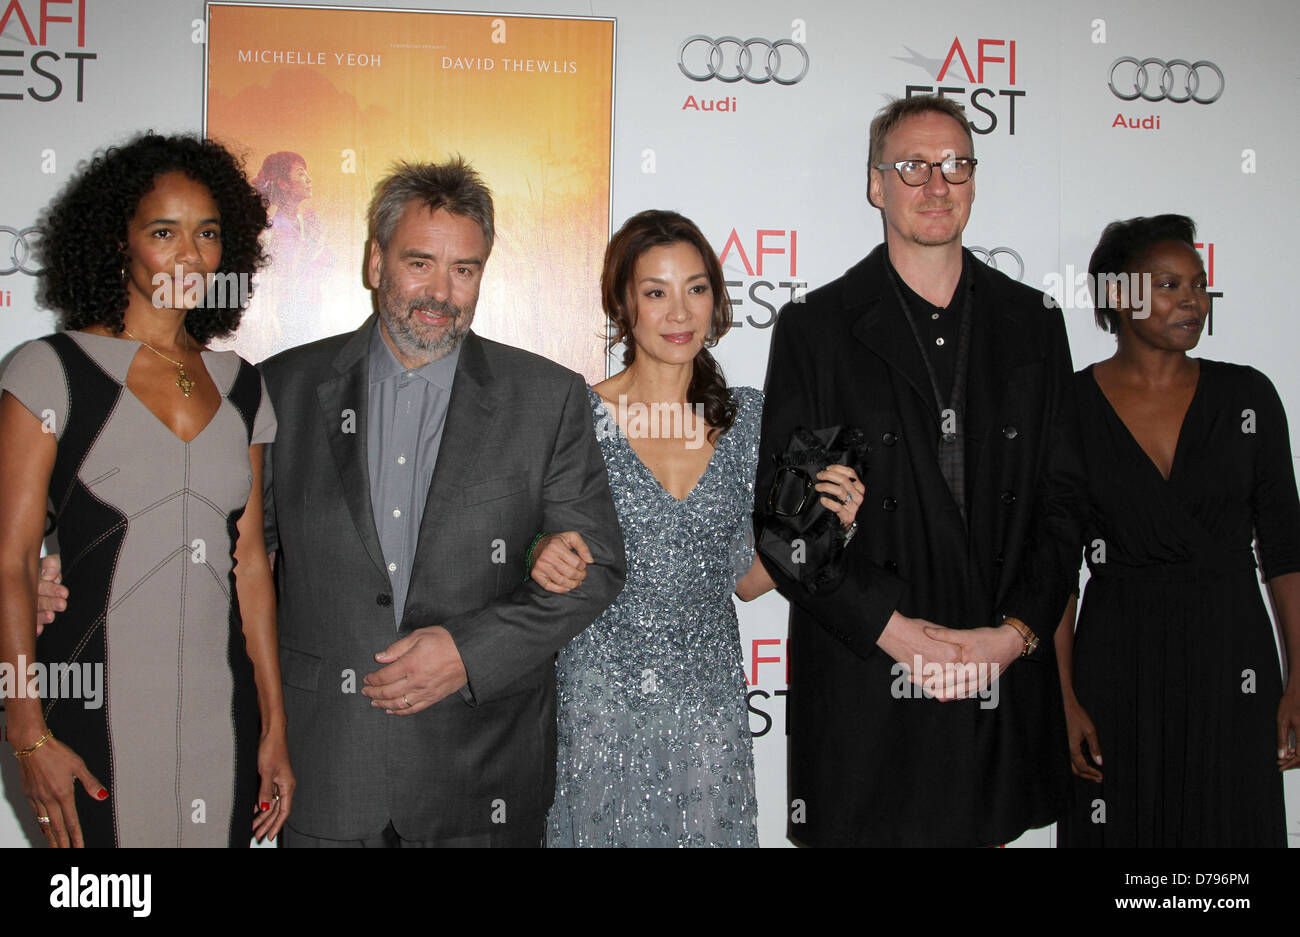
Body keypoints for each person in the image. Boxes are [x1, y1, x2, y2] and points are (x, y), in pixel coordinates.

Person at [256, 157, 625, 847]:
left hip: (480, 777)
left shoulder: (545, 397)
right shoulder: (283, 390)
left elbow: (596, 566)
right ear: (375, 262)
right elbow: (232, 556)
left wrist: (468, 651)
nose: (442, 292)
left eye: (465, 269)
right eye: (419, 262)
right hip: (326, 771)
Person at [755, 94, 1086, 847]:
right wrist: (893, 630)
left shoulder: (1034, 322)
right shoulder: (817, 326)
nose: (937, 184)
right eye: (913, 167)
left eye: (955, 165)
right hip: (869, 673)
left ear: (973, 180)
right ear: (876, 184)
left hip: (994, 668)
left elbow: (1065, 507)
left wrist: (1015, 635)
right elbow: (785, 530)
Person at [530, 210, 864, 847]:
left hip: (708, 712)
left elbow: (747, 580)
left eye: (696, 288)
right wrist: (535, 555)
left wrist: (832, 528)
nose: (679, 312)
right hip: (596, 709)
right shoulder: (575, 415)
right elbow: (525, 544)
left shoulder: (752, 421)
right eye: (656, 292)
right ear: (623, 305)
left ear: (716, 300)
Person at [0, 132, 293, 847]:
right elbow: (8, 564)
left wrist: (275, 726)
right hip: (88, 716)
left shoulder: (243, 386)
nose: (189, 256)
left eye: (208, 233)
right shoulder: (48, 372)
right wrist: (27, 730)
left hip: (221, 719)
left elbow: (251, 564)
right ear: (119, 241)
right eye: (164, 231)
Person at [1056, 214, 1300, 846]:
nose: (1193, 300)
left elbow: (1285, 547)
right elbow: (1052, 569)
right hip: (1115, 661)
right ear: (1117, 295)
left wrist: (1299, 674)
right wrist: (1063, 696)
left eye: (1198, 284)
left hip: (1232, 656)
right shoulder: (1069, 409)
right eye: (1168, 284)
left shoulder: (1248, 396)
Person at [239, 151, 336, 362]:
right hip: (278, 317)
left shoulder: (306, 222)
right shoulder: (272, 226)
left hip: (306, 313)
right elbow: (282, 276)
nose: (309, 179)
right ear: (283, 184)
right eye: (301, 173)